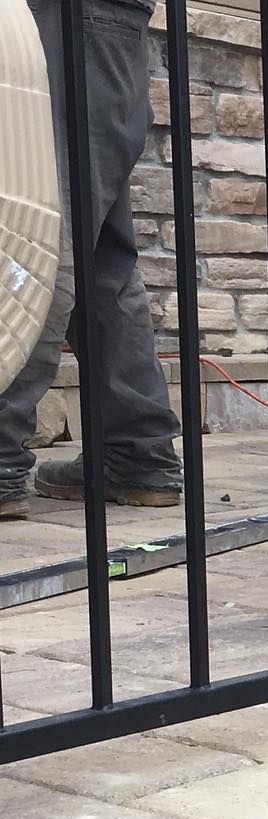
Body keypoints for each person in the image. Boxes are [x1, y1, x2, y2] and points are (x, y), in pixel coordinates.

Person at [0, 0, 182, 521]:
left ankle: (0, 455)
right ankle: (134, 452)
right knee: (102, 259)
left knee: (36, 234)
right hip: (112, 23)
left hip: (53, 17)